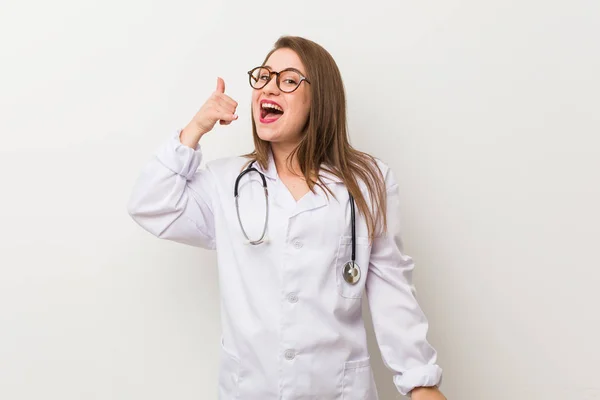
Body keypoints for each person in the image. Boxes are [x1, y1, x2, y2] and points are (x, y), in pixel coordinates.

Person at [127, 35, 446, 400]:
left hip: (337, 391)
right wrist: (194, 129)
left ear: (320, 99)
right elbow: (149, 203)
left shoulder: (368, 182)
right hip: (250, 389)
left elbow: (392, 289)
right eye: (263, 77)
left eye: (289, 80)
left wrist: (421, 382)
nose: (269, 88)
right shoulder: (226, 182)